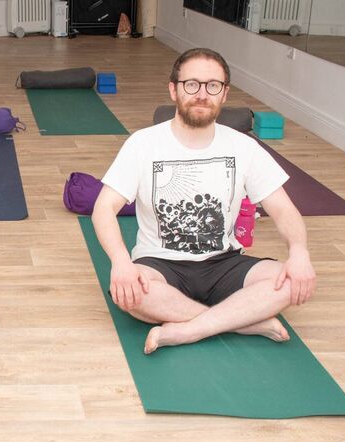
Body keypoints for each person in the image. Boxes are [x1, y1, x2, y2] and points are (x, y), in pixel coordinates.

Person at [92, 48, 316, 354]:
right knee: (131, 294)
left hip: (223, 263)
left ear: (224, 94)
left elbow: (283, 209)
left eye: (213, 86)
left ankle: (189, 330)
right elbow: (104, 208)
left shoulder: (243, 147)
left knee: (290, 282)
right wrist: (120, 263)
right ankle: (245, 321)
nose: (202, 94)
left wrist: (299, 252)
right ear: (174, 89)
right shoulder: (143, 144)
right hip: (160, 264)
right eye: (192, 84)